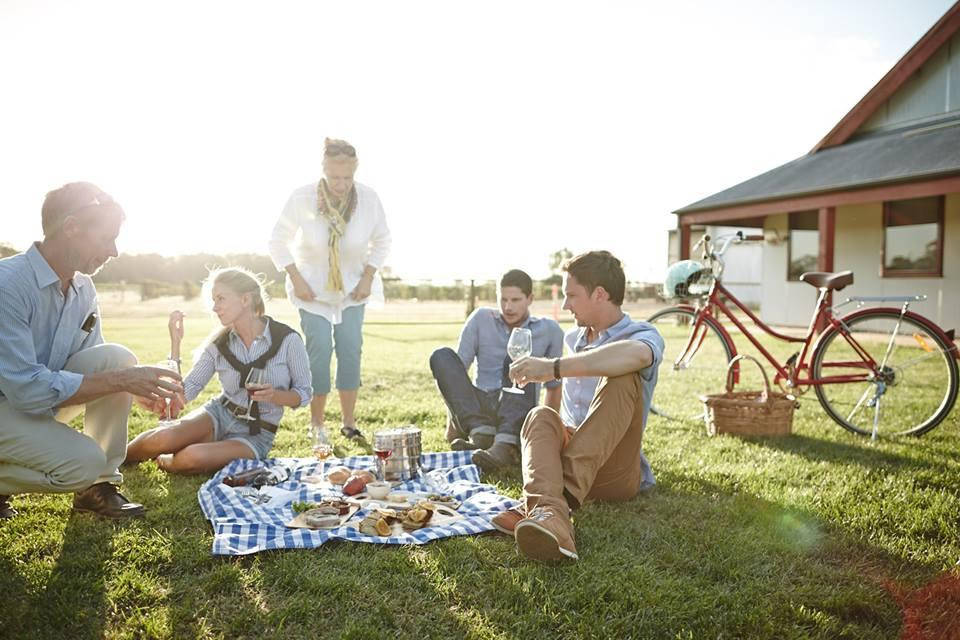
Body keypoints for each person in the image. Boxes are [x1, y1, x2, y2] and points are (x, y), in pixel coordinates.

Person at [0, 182, 183, 520]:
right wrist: (121, 380)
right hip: (12, 402)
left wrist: (135, 387)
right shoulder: (8, 284)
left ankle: (97, 489)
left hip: (32, 402)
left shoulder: (83, 285)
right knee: (84, 463)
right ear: (71, 227)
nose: (114, 251)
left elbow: (97, 363)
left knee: (117, 358)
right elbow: (26, 390)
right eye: (106, 238)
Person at [498, 251, 664, 562]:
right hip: (572, 451)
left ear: (599, 294)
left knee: (623, 376)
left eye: (571, 295)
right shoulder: (573, 338)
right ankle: (550, 514)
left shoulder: (643, 335)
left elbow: (638, 356)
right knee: (540, 415)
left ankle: (547, 503)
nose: (565, 305)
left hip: (615, 469)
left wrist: (553, 368)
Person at [125, 267, 312, 474]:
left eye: (221, 299)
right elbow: (189, 388)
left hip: (255, 434)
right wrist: (176, 343)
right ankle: (112, 460)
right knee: (163, 438)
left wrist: (274, 396)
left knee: (191, 457)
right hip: (218, 414)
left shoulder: (288, 340)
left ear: (245, 299)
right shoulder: (220, 344)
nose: (215, 307)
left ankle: (166, 459)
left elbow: (304, 393)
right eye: (214, 300)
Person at [268, 138, 391, 444]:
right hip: (312, 291)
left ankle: (349, 423)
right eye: (335, 177)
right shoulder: (302, 197)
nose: (341, 185)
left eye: (347, 177)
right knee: (319, 351)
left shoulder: (368, 198)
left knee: (350, 350)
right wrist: (296, 278)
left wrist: (368, 276)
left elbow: (383, 240)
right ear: (323, 170)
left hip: (353, 289)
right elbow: (277, 241)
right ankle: (317, 424)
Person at [429, 269, 563, 471]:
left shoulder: (550, 330)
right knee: (442, 356)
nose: (508, 307)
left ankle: (505, 444)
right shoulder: (480, 318)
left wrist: (547, 436)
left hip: (518, 406)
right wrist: (453, 427)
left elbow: (553, 387)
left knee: (518, 361)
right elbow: (457, 375)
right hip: (481, 407)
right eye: (503, 299)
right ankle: (481, 435)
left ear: (530, 298)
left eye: (515, 300)